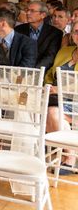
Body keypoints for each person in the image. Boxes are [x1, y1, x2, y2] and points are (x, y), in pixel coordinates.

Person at [0, 7, 37, 119]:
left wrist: (0, 80)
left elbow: (25, 71)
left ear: (3, 24)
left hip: (18, 87)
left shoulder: (28, 43)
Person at [45, 20, 78, 173]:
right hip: (56, 96)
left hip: (74, 99)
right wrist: (47, 85)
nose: (77, 35)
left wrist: (59, 89)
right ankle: (68, 155)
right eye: (75, 31)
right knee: (35, 109)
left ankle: (69, 157)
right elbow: (51, 73)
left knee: (51, 112)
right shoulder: (65, 51)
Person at [16, 0, 63, 73]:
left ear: (43, 15)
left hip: (42, 72)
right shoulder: (18, 30)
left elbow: (49, 57)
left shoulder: (55, 33)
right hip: (20, 71)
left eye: (32, 11)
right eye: (27, 10)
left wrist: (34, 71)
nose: (28, 13)